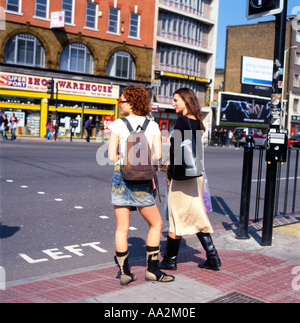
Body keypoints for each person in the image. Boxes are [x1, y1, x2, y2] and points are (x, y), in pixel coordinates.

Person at [108, 85, 174, 285]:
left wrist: (125, 157)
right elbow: (158, 156)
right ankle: (152, 270)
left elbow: (111, 157)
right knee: (156, 224)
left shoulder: (118, 125)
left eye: (123, 102)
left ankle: (124, 273)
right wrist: (142, 158)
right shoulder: (152, 126)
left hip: (121, 176)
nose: (120, 105)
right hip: (142, 179)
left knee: (122, 228)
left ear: (133, 103)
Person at [159, 88, 221, 271]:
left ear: (186, 101)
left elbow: (176, 153)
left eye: (176, 100)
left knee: (176, 216)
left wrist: (168, 168)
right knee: (196, 214)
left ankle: (170, 260)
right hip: (196, 175)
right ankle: (213, 257)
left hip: (182, 177)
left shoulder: (182, 121)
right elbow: (196, 153)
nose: (173, 103)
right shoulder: (197, 122)